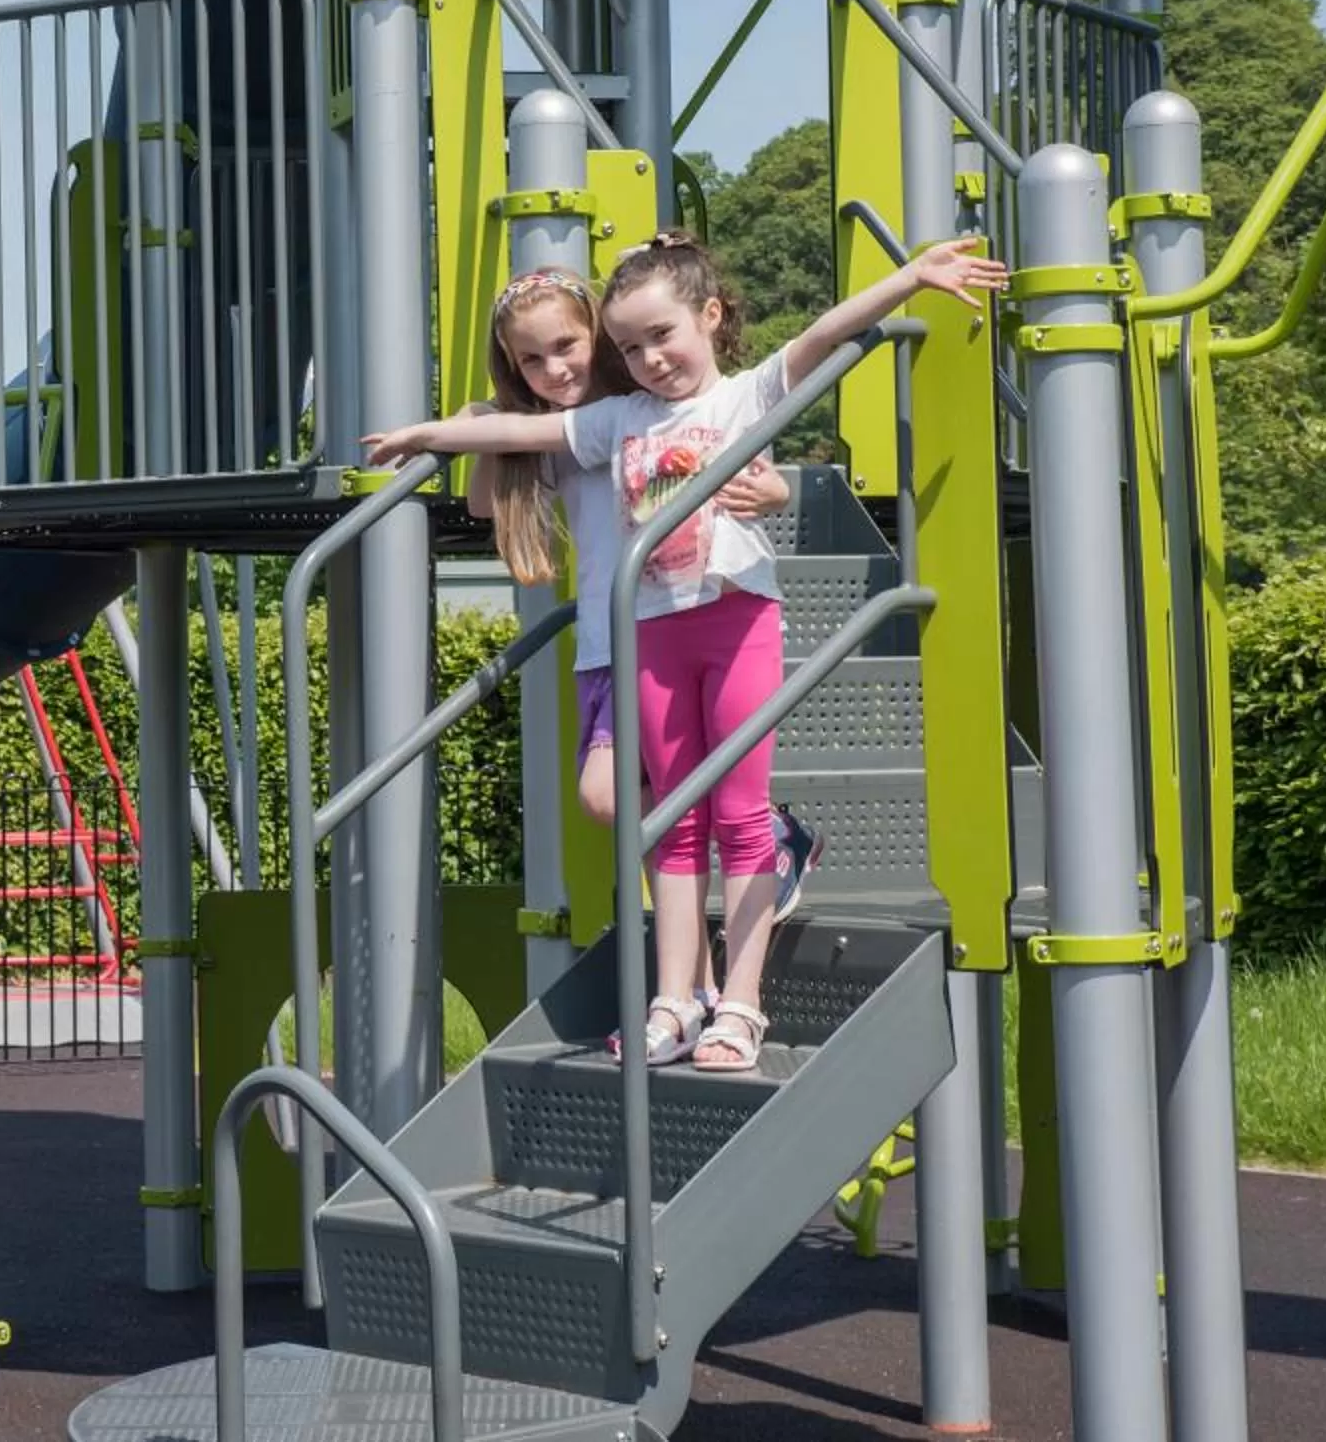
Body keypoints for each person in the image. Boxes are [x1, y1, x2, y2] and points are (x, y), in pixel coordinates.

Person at [369, 230, 1005, 1070]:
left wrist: (911, 277)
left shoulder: (743, 397)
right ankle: (677, 1000)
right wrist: (427, 435)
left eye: (660, 336)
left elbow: (821, 335)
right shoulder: (618, 418)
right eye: (630, 347)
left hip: (733, 619)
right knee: (670, 824)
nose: (649, 358)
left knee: (737, 818)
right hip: (647, 629)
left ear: (709, 317)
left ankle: (740, 1006)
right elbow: (524, 444)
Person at [463, 268, 824, 1047]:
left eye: (567, 347)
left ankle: (724, 925)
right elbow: (485, 504)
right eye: (531, 361)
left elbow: (735, 443)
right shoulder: (575, 431)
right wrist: (483, 423)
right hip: (605, 645)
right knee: (659, 816)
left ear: (602, 341)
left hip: (660, 630)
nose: (556, 369)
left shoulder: (631, 418)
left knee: (635, 805)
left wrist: (783, 492)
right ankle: (689, 986)